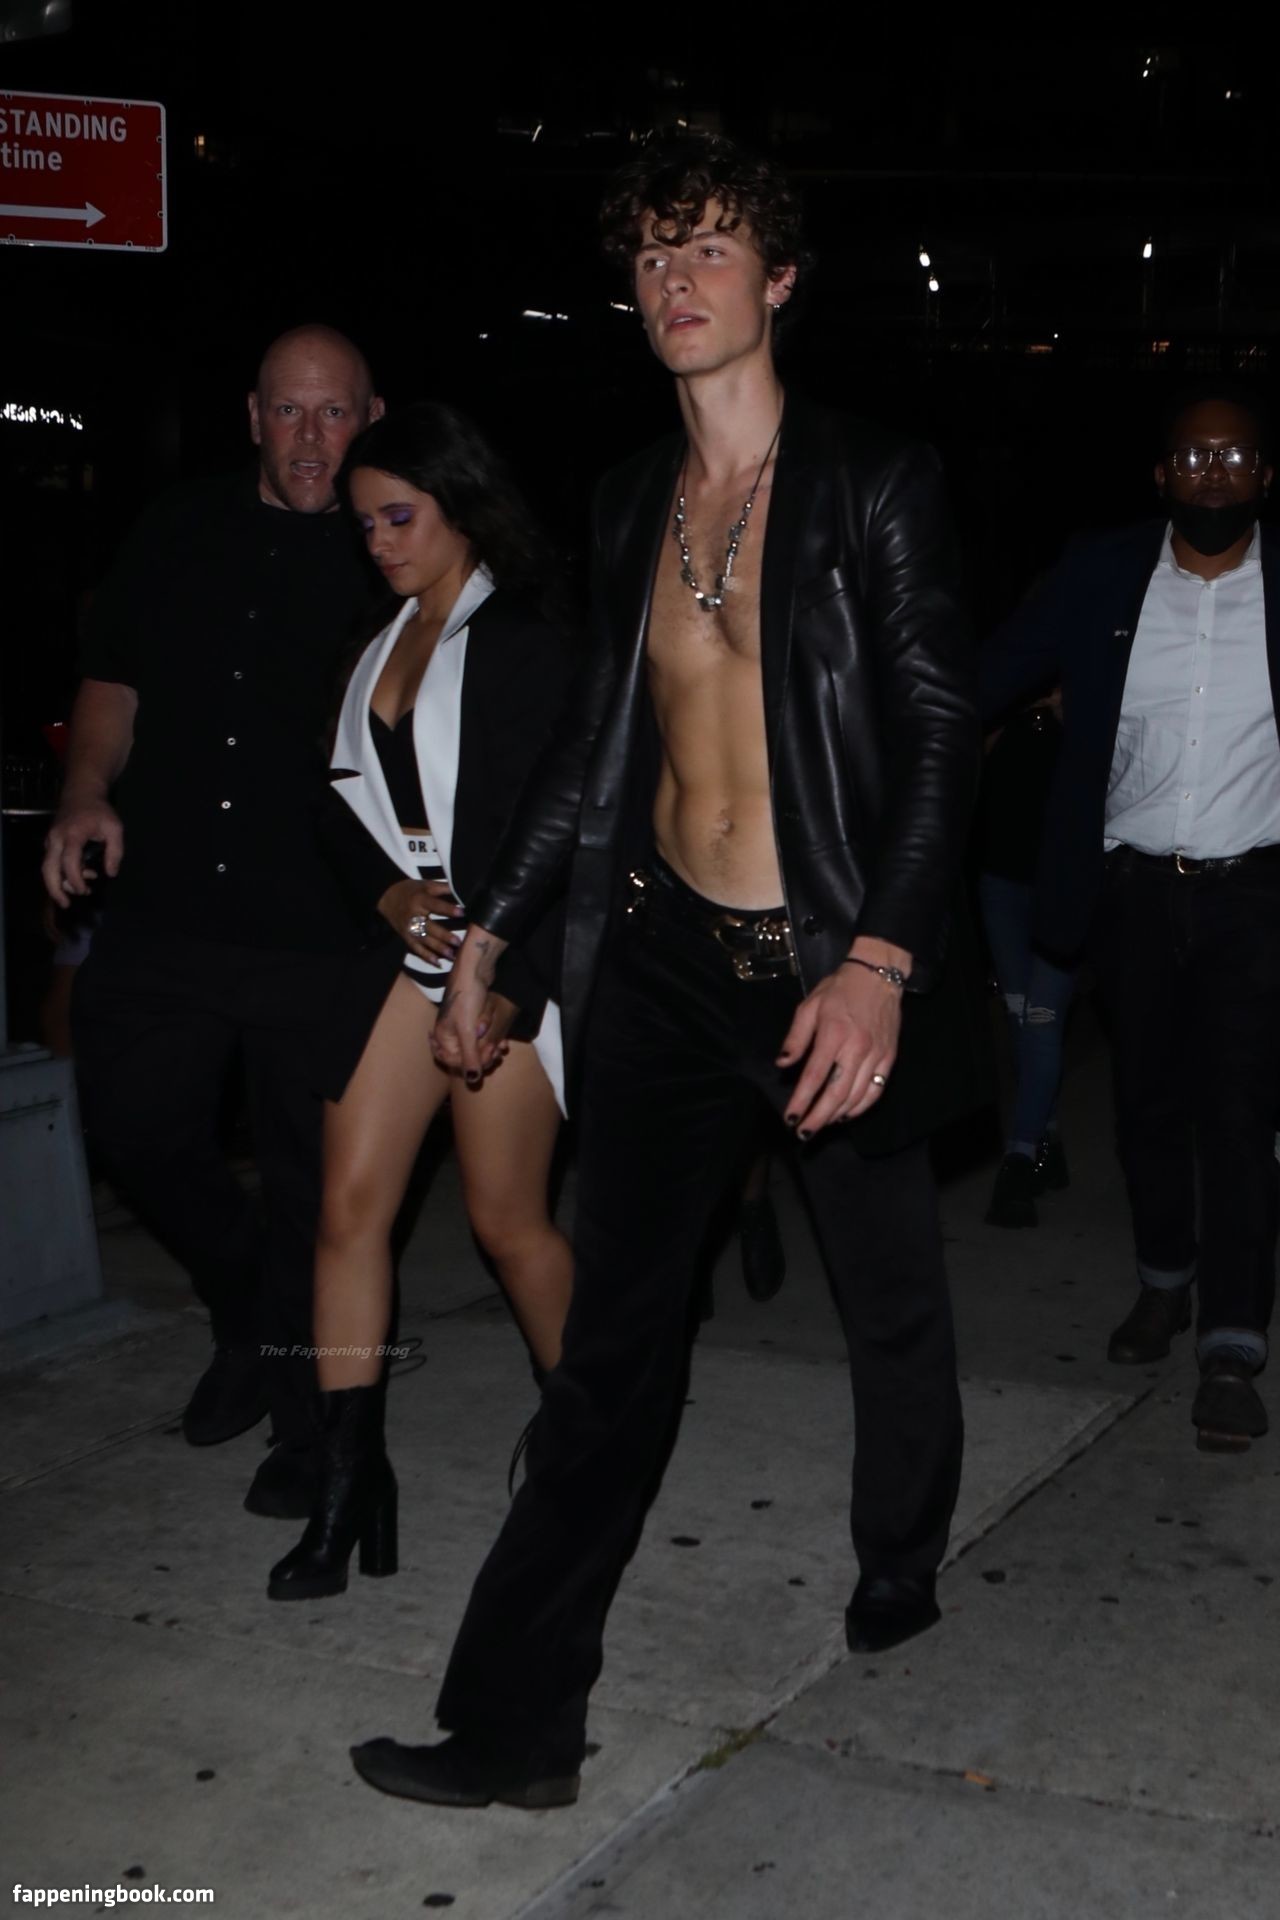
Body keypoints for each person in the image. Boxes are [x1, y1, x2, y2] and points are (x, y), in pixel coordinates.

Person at [349, 134, 985, 1811]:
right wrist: (494, 933)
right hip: (665, 967)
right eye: (648, 257)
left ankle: (899, 1550)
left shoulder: (875, 480)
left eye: (706, 249)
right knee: (610, 1355)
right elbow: (590, 747)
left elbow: (939, 731)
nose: (672, 282)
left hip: (829, 962)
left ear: (778, 278)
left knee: (891, 1301)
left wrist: (880, 960)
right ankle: (516, 1727)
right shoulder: (632, 495)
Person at [43, 326, 384, 1518]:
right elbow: (113, 679)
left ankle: (303, 1420)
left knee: (310, 1190)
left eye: (333, 412)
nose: (310, 437)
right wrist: (85, 792)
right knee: (131, 1125)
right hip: (169, 904)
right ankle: (243, 1309)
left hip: (317, 925)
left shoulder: (394, 543)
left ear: (370, 417)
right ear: (251, 417)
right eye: (288, 411)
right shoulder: (176, 526)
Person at [266, 403, 574, 1602]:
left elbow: (565, 825)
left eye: (400, 516)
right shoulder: (377, 636)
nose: (380, 542)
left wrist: (509, 980)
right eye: (364, 525)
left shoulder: (527, 638)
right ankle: (348, 1487)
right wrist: (388, 892)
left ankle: (585, 1435)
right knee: (347, 1209)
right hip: (403, 954)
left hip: (510, 957)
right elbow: (330, 799)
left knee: (505, 1222)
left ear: (462, 504)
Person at [980, 378, 1277, 1452]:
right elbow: (986, 676)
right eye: (1193, 456)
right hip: (1132, 891)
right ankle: (1163, 1283)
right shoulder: (1102, 573)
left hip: (1254, 895)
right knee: (1147, 1108)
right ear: (1161, 475)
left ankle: (1232, 1345)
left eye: (1233, 456)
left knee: (1239, 1119)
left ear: (1264, 476)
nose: (1213, 473)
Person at [976, 688, 1076, 1227]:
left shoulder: (1090, 680)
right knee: (1020, 1019)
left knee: (1040, 1021)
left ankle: (1018, 1159)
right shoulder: (1003, 692)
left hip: (1061, 889)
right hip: (1001, 883)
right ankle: (1047, 1144)